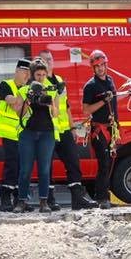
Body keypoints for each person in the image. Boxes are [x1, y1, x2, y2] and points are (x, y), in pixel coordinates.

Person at [39, 50, 97, 210]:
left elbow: (66, 106)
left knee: (73, 162)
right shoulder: (38, 83)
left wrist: (72, 127)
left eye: (50, 59)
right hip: (47, 131)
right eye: (44, 60)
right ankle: (49, 200)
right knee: (46, 166)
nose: (48, 62)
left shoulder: (58, 80)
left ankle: (77, 198)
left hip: (64, 130)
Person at [12, 58, 60, 213]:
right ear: (32, 75)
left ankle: (44, 202)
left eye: (43, 74)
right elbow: (19, 113)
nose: (40, 77)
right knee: (25, 168)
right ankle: (21, 202)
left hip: (47, 133)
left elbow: (56, 113)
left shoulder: (51, 89)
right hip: (28, 133)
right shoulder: (25, 90)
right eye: (38, 74)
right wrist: (28, 100)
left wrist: (50, 101)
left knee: (44, 169)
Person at [82, 50, 120, 209]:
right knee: (103, 162)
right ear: (93, 68)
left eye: (102, 65)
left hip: (112, 128)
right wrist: (104, 101)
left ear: (106, 64)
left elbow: (114, 98)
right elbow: (86, 110)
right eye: (96, 66)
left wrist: (129, 93)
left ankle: (105, 195)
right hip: (99, 129)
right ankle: (101, 198)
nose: (100, 68)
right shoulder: (90, 86)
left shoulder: (110, 81)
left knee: (110, 162)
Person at [0, 58, 30, 212]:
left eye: (29, 73)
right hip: (9, 133)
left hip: (23, 134)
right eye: (24, 72)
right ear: (16, 71)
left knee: (23, 167)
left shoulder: (27, 88)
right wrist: (25, 97)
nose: (27, 76)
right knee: (12, 165)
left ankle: (19, 199)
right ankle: (5, 197)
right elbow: (12, 101)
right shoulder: (6, 85)